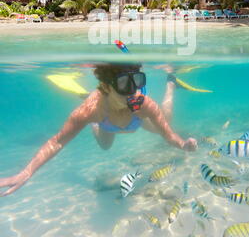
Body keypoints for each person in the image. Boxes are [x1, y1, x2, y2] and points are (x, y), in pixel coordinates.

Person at [0, 63, 197, 197]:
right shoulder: (91, 110)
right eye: (123, 84)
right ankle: (95, 124)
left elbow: (169, 136)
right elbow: (57, 141)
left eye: (137, 81)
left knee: (166, 122)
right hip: (105, 120)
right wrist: (26, 172)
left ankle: (170, 83)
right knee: (105, 146)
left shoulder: (140, 103)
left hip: (135, 118)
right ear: (106, 86)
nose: (133, 91)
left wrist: (182, 144)